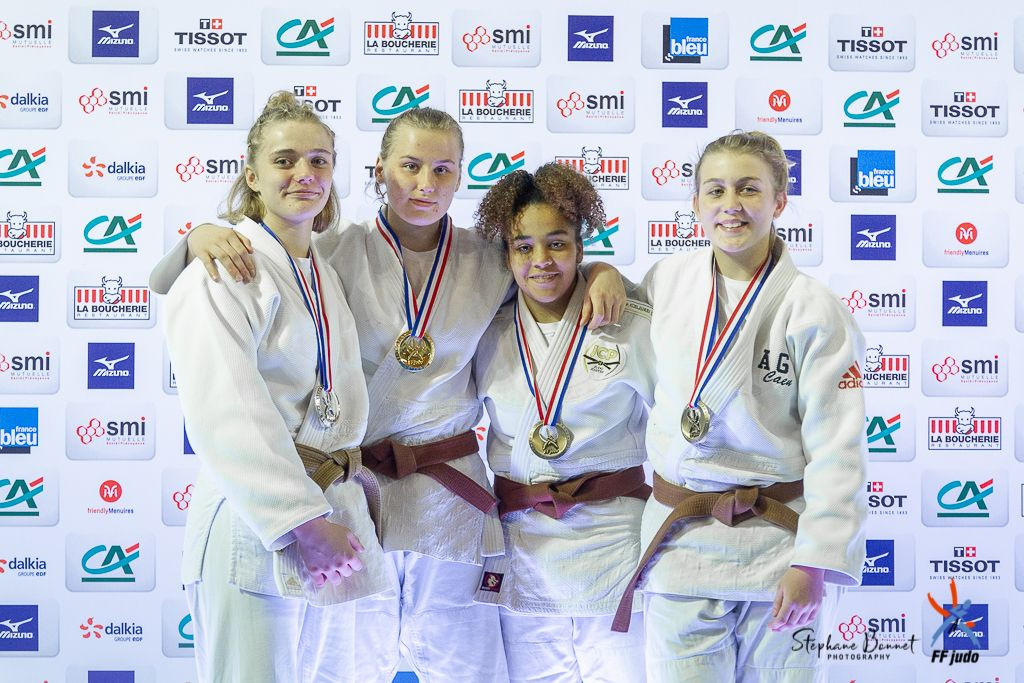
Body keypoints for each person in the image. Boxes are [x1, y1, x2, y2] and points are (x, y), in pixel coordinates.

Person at [151, 107, 626, 682]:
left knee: (462, 664)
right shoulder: (331, 251)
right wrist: (197, 238)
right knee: (343, 667)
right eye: (410, 166)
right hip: (352, 493)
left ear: (461, 175)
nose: (426, 184)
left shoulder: (487, 258)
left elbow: (548, 271)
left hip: (445, 492)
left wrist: (603, 272)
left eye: (443, 169)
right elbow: (223, 289)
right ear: (379, 170)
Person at [612, 131, 867, 682]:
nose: (731, 204)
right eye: (716, 190)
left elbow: (838, 447)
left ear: (779, 201)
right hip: (682, 542)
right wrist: (600, 273)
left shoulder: (814, 309)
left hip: (777, 547)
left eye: (749, 189)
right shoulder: (667, 281)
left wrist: (814, 561)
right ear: (695, 204)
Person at [163, 91, 392, 682]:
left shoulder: (322, 269)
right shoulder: (221, 272)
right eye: (284, 160)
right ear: (252, 175)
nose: (304, 174)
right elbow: (226, 413)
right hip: (259, 521)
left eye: (319, 161)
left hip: (332, 512)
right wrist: (300, 523)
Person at [471, 163, 654, 682]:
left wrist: (607, 273)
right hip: (523, 546)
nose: (541, 261)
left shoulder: (627, 322)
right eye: (523, 247)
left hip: (612, 542)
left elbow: (682, 422)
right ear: (507, 255)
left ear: (580, 247)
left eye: (557, 244)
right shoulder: (485, 328)